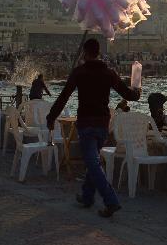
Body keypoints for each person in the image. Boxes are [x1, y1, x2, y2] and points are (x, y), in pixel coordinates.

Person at [46, 38, 141, 217]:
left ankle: (111, 200)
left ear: (85, 52)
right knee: (93, 161)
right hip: (102, 125)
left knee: (93, 163)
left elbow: (63, 97)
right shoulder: (109, 73)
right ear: (98, 52)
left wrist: (51, 117)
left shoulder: (79, 72)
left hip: (86, 124)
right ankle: (88, 197)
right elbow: (127, 93)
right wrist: (137, 93)